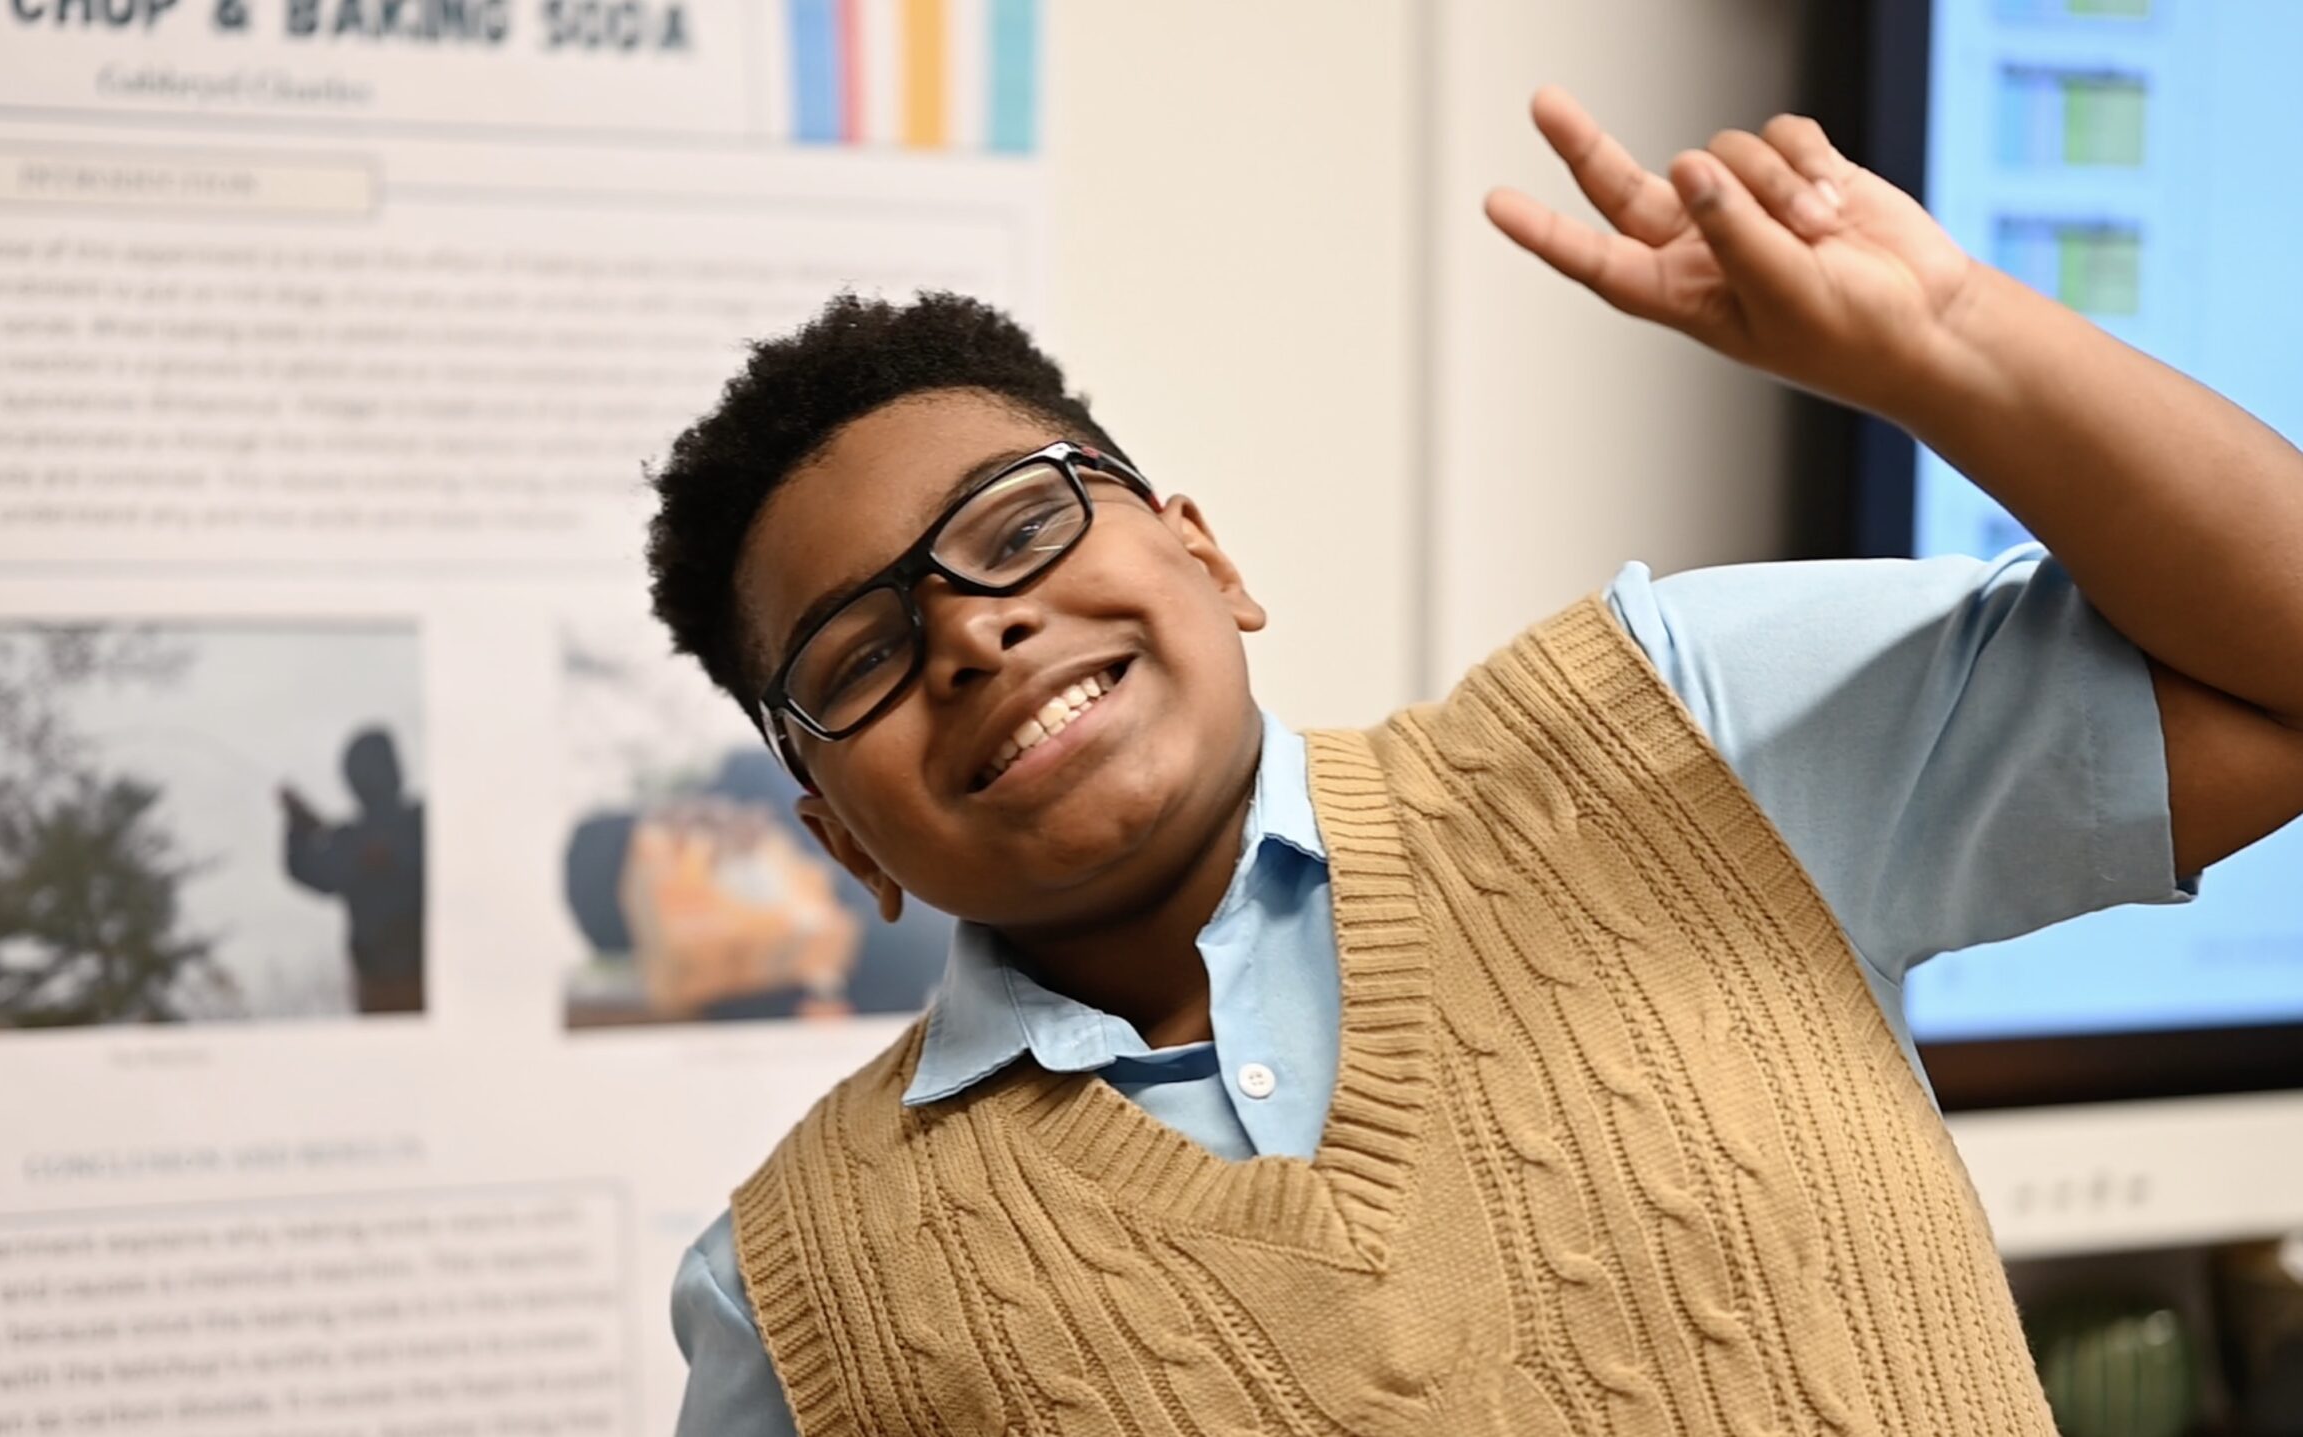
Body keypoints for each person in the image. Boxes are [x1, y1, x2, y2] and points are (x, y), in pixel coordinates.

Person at [646, 92, 2303, 1436]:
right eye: (861, 655)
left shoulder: (1673, 735)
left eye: (1022, 525)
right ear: (836, 837)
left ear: (1209, 558)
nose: (970, 631)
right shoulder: (801, 1296)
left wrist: (1949, 338)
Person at [280, 726, 427, 1014]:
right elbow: (308, 869)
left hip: (411, 981)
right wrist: (299, 825)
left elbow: (309, 869)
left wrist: (302, 830)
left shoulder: (416, 823)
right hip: (379, 986)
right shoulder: (356, 838)